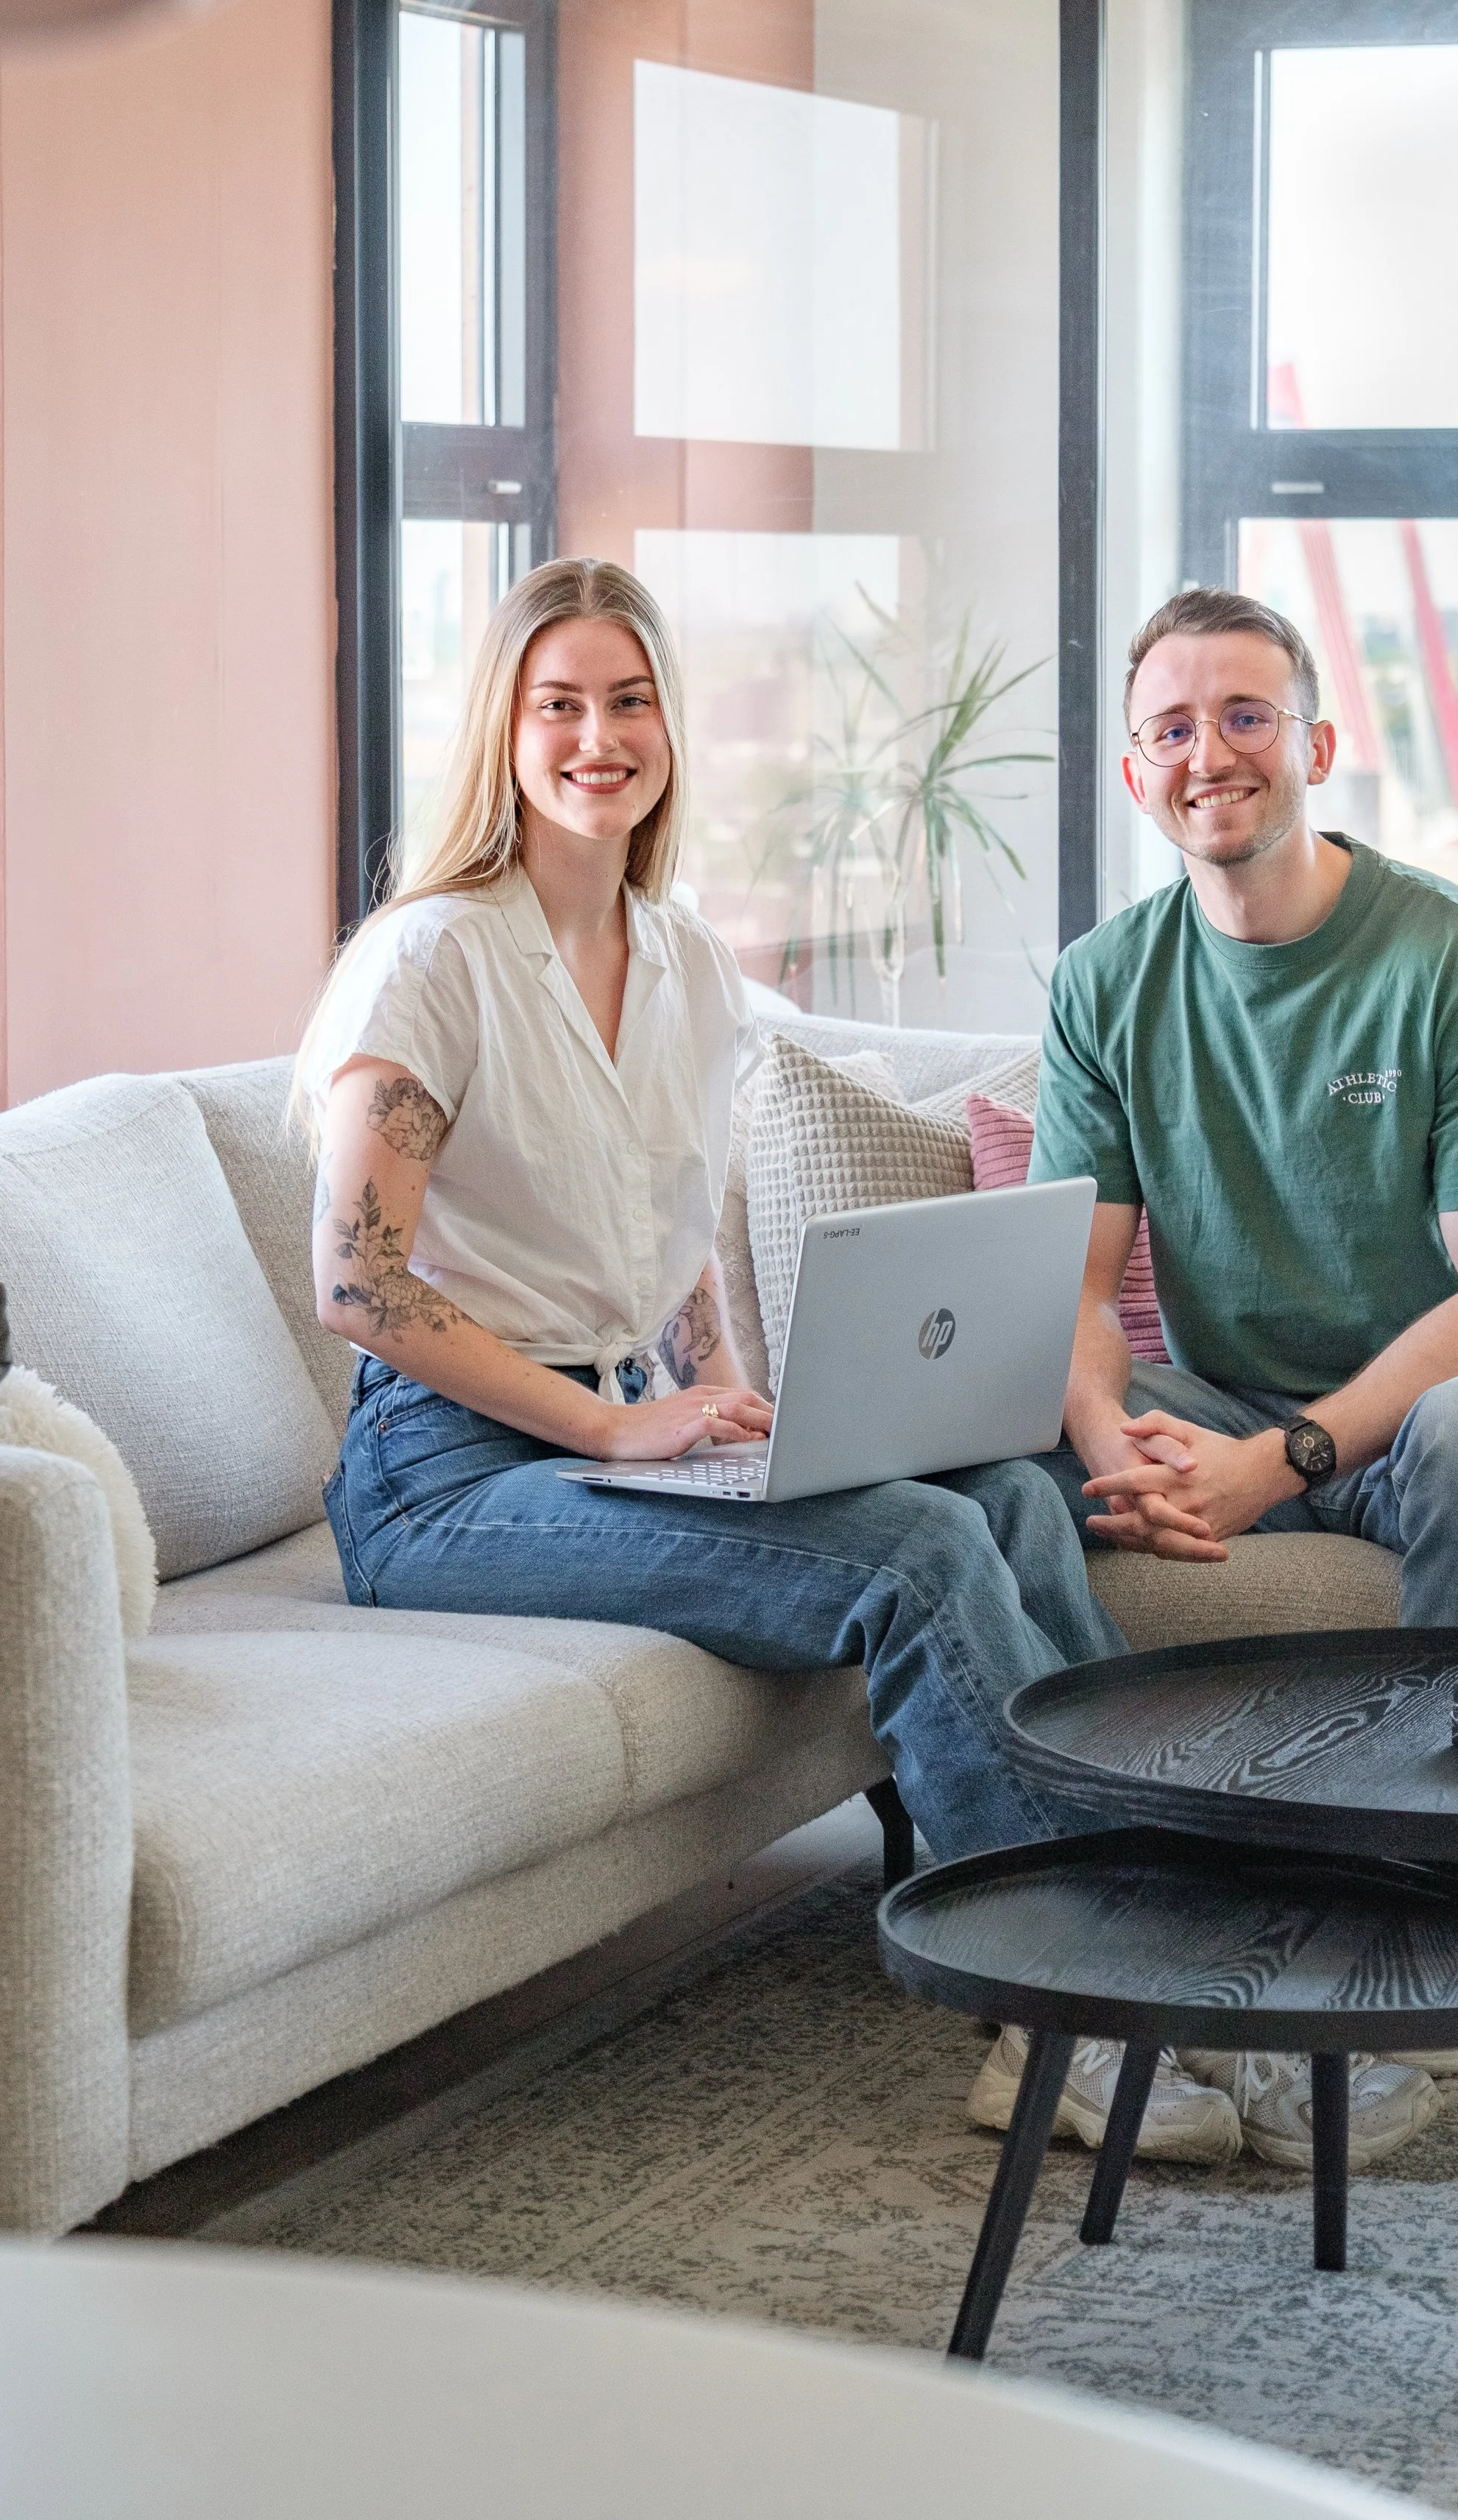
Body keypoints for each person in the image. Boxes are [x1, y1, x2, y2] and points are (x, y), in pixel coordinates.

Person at [296, 557, 1240, 2168]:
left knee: (1008, 1495)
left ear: (670, 727)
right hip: (443, 1476)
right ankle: (1066, 2009)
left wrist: (732, 1402)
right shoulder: (432, 958)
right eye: (558, 704)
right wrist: (620, 1426)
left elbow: (670, 1247)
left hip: (622, 1430)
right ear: (503, 732)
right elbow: (355, 1281)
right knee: (917, 1555)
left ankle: (1187, 1920)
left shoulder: (682, 964)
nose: (598, 736)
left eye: (630, 700)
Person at [1008, 583, 1458, 2165]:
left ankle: (1450, 1921)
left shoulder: (1457, 961)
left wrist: (1280, 1459)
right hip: (1228, 1405)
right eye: (1169, 728)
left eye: (1243, 716)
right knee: (989, 1466)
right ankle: (1125, 1883)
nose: (1206, 754)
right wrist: (1110, 1434)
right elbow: (1073, 1289)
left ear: (1317, 745)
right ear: (1133, 772)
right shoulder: (1103, 982)